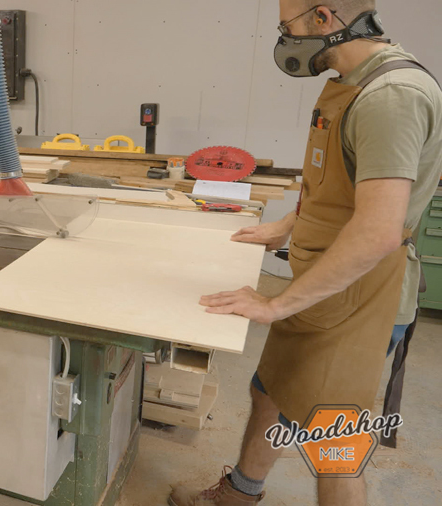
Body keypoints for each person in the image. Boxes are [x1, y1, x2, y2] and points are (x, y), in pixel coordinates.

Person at [169, 1, 442, 505]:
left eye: (286, 26)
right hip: (319, 283)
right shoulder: (350, 77)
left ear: (323, 19)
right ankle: (240, 493)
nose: (284, 38)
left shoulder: (392, 96)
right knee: (268, 390)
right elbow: (337, 183)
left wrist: (275, 305)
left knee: (334, 447)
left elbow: (380, 229)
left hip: (361, 297)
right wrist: (288, 226)